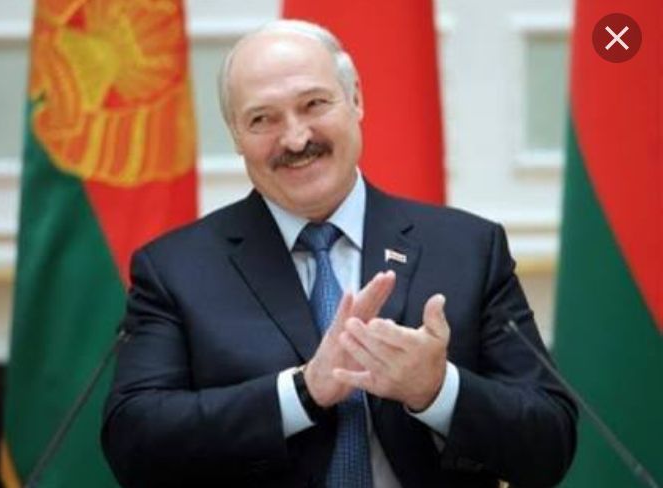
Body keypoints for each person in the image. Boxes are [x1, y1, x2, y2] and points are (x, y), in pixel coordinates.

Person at [101, 19, 577, 488]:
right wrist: (302, 392)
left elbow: (550, 442)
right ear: (235, 135)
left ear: (356, 100)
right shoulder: (175, 269)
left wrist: (438, 390)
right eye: (262, 119)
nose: (295, 139)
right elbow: (134, 442)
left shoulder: (467, 249)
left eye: (314, 104)